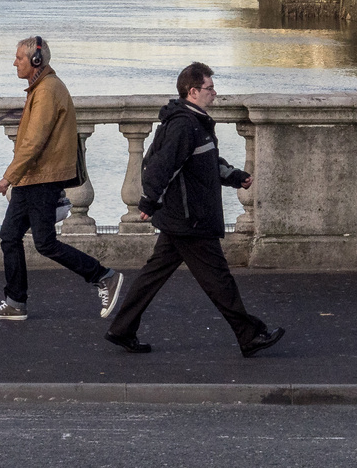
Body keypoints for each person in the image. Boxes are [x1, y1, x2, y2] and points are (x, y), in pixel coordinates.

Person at [105, 62, 284, 357]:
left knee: (153, 275)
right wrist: (149, 202)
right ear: (193, 92)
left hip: (183, 217)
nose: (214, 93)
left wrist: (235, 177)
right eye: (209, 88)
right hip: (190, 219)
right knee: (218, 279)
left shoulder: (194, 122)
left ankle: (122, 329)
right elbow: (161, 167)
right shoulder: (184, 125)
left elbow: (206, 163)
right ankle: (248, 335)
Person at [0, 36, 124, 322]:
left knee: (45, 243)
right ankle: (15, 302)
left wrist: (8, 177)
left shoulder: (47, 91)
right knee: (9, 236)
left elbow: (34, 142)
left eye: (19, 58)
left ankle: (103, 276)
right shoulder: (41, 88)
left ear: (36, 61)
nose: (14, 63)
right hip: (32, 178)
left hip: (41, 179)